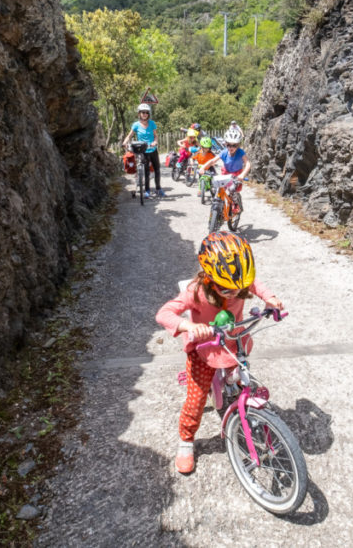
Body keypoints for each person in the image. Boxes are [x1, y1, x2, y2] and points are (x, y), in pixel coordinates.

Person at [155, 231, 283, 474]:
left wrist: (270, 298)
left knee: (244, 378)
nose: (235, 293)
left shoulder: (239, 282)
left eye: (239, 287)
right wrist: (189, 326)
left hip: (232, 340)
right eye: (226, 289)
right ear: (209, 276)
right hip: (204, 349)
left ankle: (233, 383)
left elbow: (255, 285)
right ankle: (186, 440)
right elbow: (164, 314)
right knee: (196, 398)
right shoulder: (196, 291)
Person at [121, 103, 164, 198]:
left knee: (157, 170)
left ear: (149, 114)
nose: (144, 114)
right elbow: (129, 135)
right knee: (146, 171)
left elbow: (156, 136)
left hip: (152, 149)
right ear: (139, 113)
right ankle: (147, 190)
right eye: (142, 112)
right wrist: (124, 142)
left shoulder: (152, 123)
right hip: (143, 151)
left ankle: (158, 189)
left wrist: (155, 142)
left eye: (146, 112)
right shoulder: (136, 125)